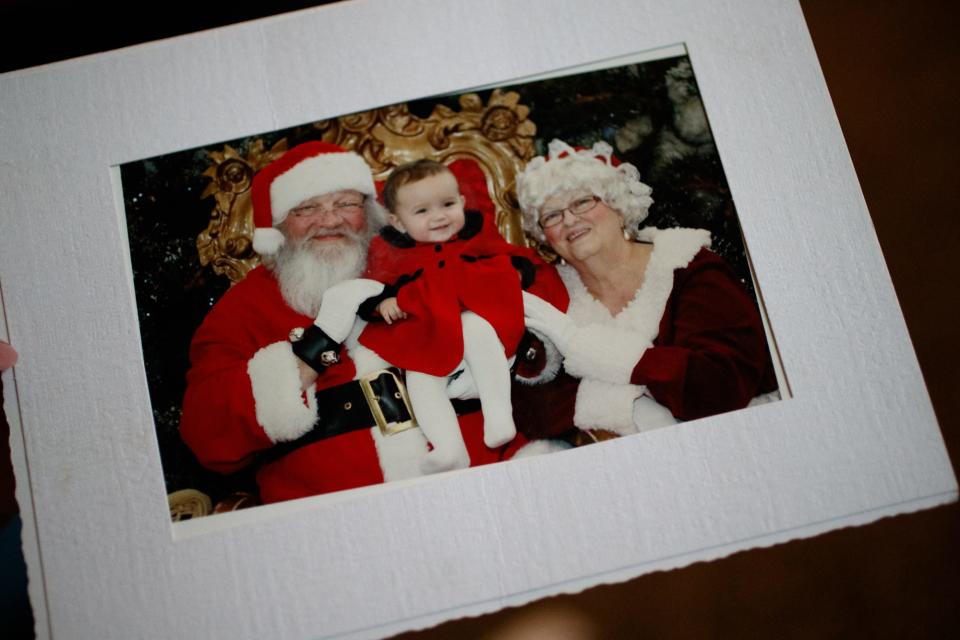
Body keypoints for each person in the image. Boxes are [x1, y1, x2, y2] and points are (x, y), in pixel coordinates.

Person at [178, 142, 562, 505]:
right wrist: (316, 346)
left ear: (370, 211)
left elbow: (531, 282)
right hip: (338, 511)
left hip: (481, 476)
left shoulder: (412, 252)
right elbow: (206, 435)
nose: (329, 220)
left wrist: (510, 349)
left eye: (345, 203)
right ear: (279, 223)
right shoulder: (245, 306)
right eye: (305, 209)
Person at [513, 139, 778, 442]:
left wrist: (599, 355)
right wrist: (652, 380)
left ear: (619, 208)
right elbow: (534, 412)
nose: (570, 220)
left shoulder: (688, 265)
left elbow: (720, 388)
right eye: (552, 216)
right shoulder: (549, 295)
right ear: (545, 237)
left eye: (582, 202)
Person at [325, 159, 545, 473]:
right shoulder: (396, 256)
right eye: (422, 211)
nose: (439, 216)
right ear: (398, 222)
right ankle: (448, 446)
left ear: (463, 203)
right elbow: (375, 286)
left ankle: (499, 415)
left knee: (475, 329)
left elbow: (513, 259)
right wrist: (384, 302)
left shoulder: (475, 239)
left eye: (447, 204)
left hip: (477, 323)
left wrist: (515, 273)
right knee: (420, 379)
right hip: (429, 335)